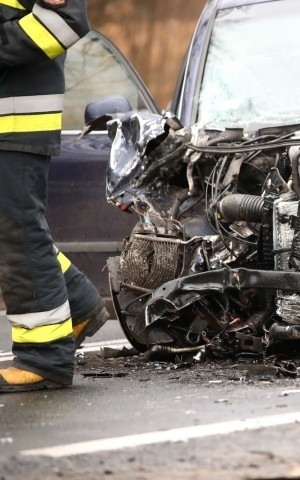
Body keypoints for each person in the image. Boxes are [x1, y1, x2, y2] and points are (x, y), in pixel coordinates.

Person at [0, 0, 108, 393]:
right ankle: (77, 303)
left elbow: (64, 19)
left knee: (18, 233)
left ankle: (44, 356)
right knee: (13, 233)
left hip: (15, 123)